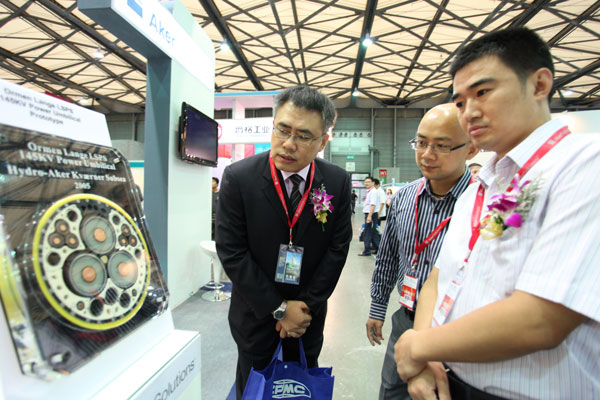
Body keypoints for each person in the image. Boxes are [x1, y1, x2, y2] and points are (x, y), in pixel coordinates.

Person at [394, 27, 600, 400]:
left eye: (483, 92)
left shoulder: (584, 164)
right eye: (460, 102)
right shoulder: (481, 187)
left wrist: (417, 346)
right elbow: (440, 278)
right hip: (449, 381)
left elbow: (542, 318)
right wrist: (427, 360)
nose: (469, 112)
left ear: (539, 85)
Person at [215, 85, 352, 400]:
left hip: (306, 319)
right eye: (283, 130)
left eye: (303, 136)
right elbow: (232, 251)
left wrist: (303, 309)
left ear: (323, 142)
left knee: (300, 388)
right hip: (255, 316)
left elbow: (337, 249)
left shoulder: (336, 182)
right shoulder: (239, 178)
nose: (289, 144)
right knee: (253, 388)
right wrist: (278, 309)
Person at [367, 103, 477, 400]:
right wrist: (377, 307)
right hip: (406, 319)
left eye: (441, 146)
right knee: (392, 392)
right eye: (421, 143)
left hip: (456, 328)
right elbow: (388, 257)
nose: (427, 154)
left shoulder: (482, 203)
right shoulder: (404, 197)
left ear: (471, 149)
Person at [359, 176, 380, 256]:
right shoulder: (370, 191)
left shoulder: (373, 192)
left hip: (371, 214)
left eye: (368, 182)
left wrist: (369, 216)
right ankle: (379, 249)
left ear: (373, 183)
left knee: (367, 232)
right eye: (365, 182)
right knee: (373, 232)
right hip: (370, 214)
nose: (366, 183)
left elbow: (373, 205)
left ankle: (367, 250)